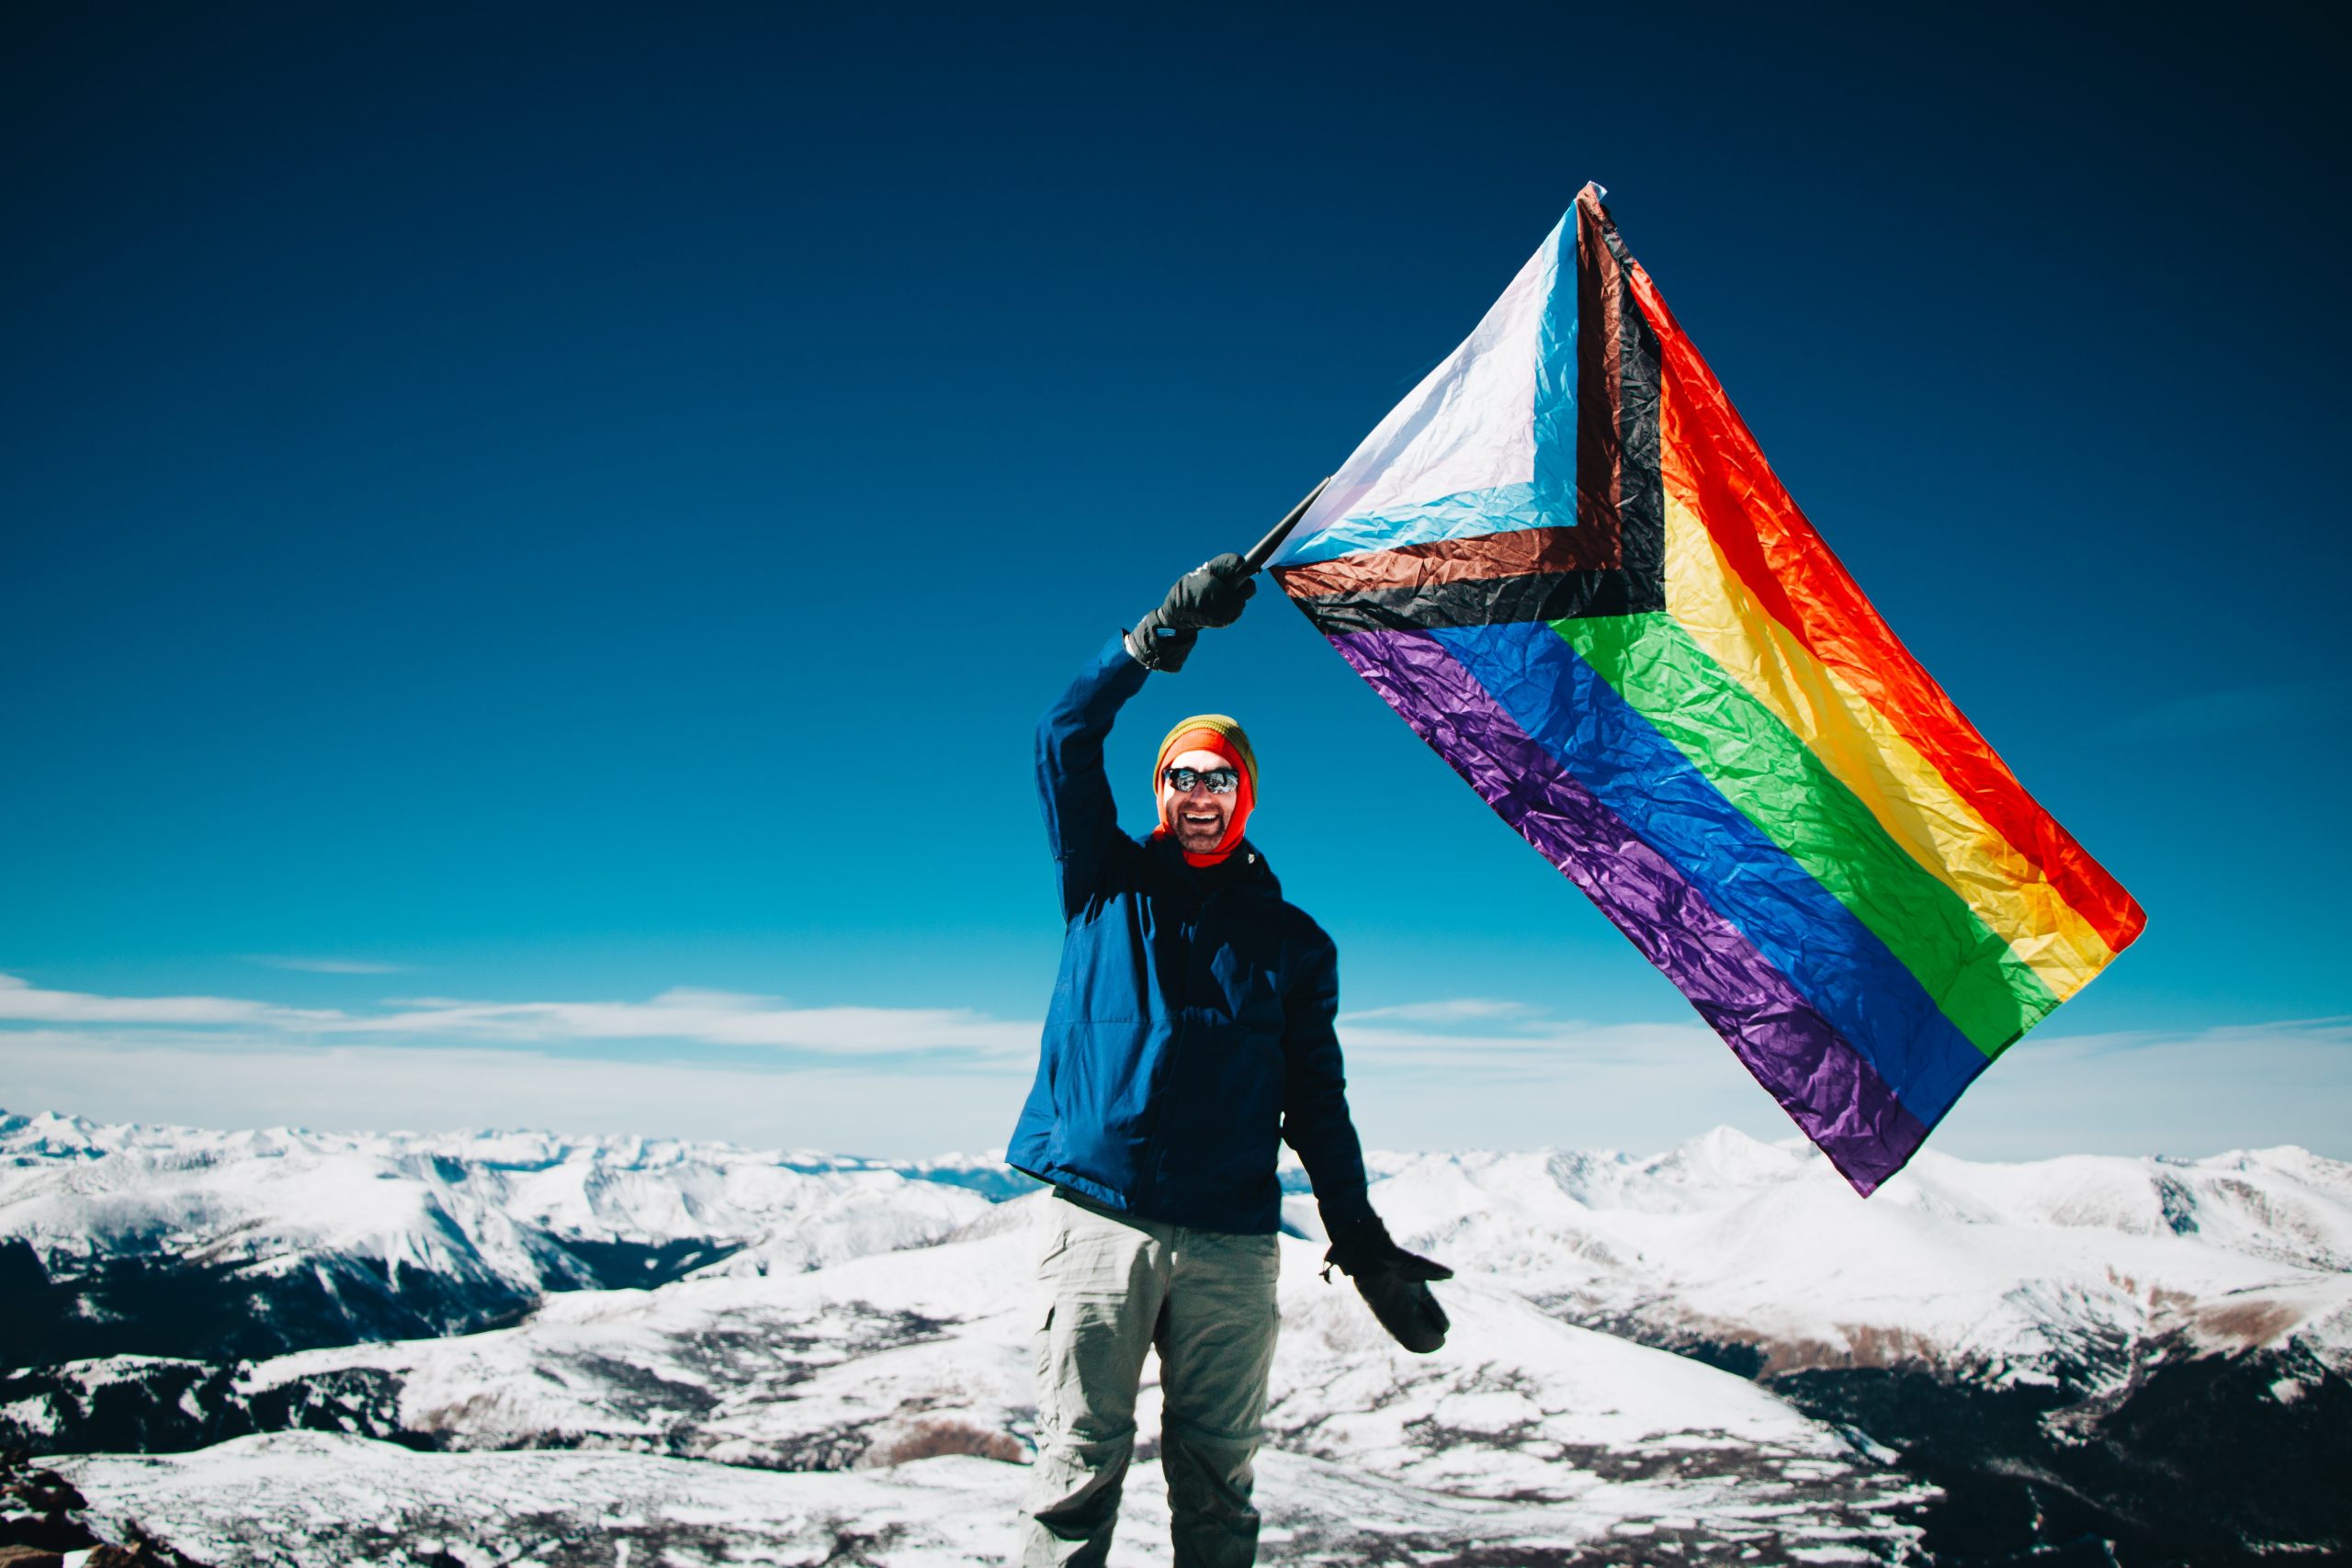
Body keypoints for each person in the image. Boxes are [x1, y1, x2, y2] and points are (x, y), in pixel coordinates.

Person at [1006, 553, 1453, 1568]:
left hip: (1232, 1242)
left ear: (1244, 795)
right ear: (1160, 793)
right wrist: (1152, 638)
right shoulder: (1103, 883)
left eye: (1219, 777)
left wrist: (1359, 1235)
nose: (1198, 793)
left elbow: (1317, 1102)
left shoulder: (1294, 944)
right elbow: (1062, 734)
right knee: (1075, 1469)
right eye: (1181, 776)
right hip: (1101, 1219)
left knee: (1218, 1481)